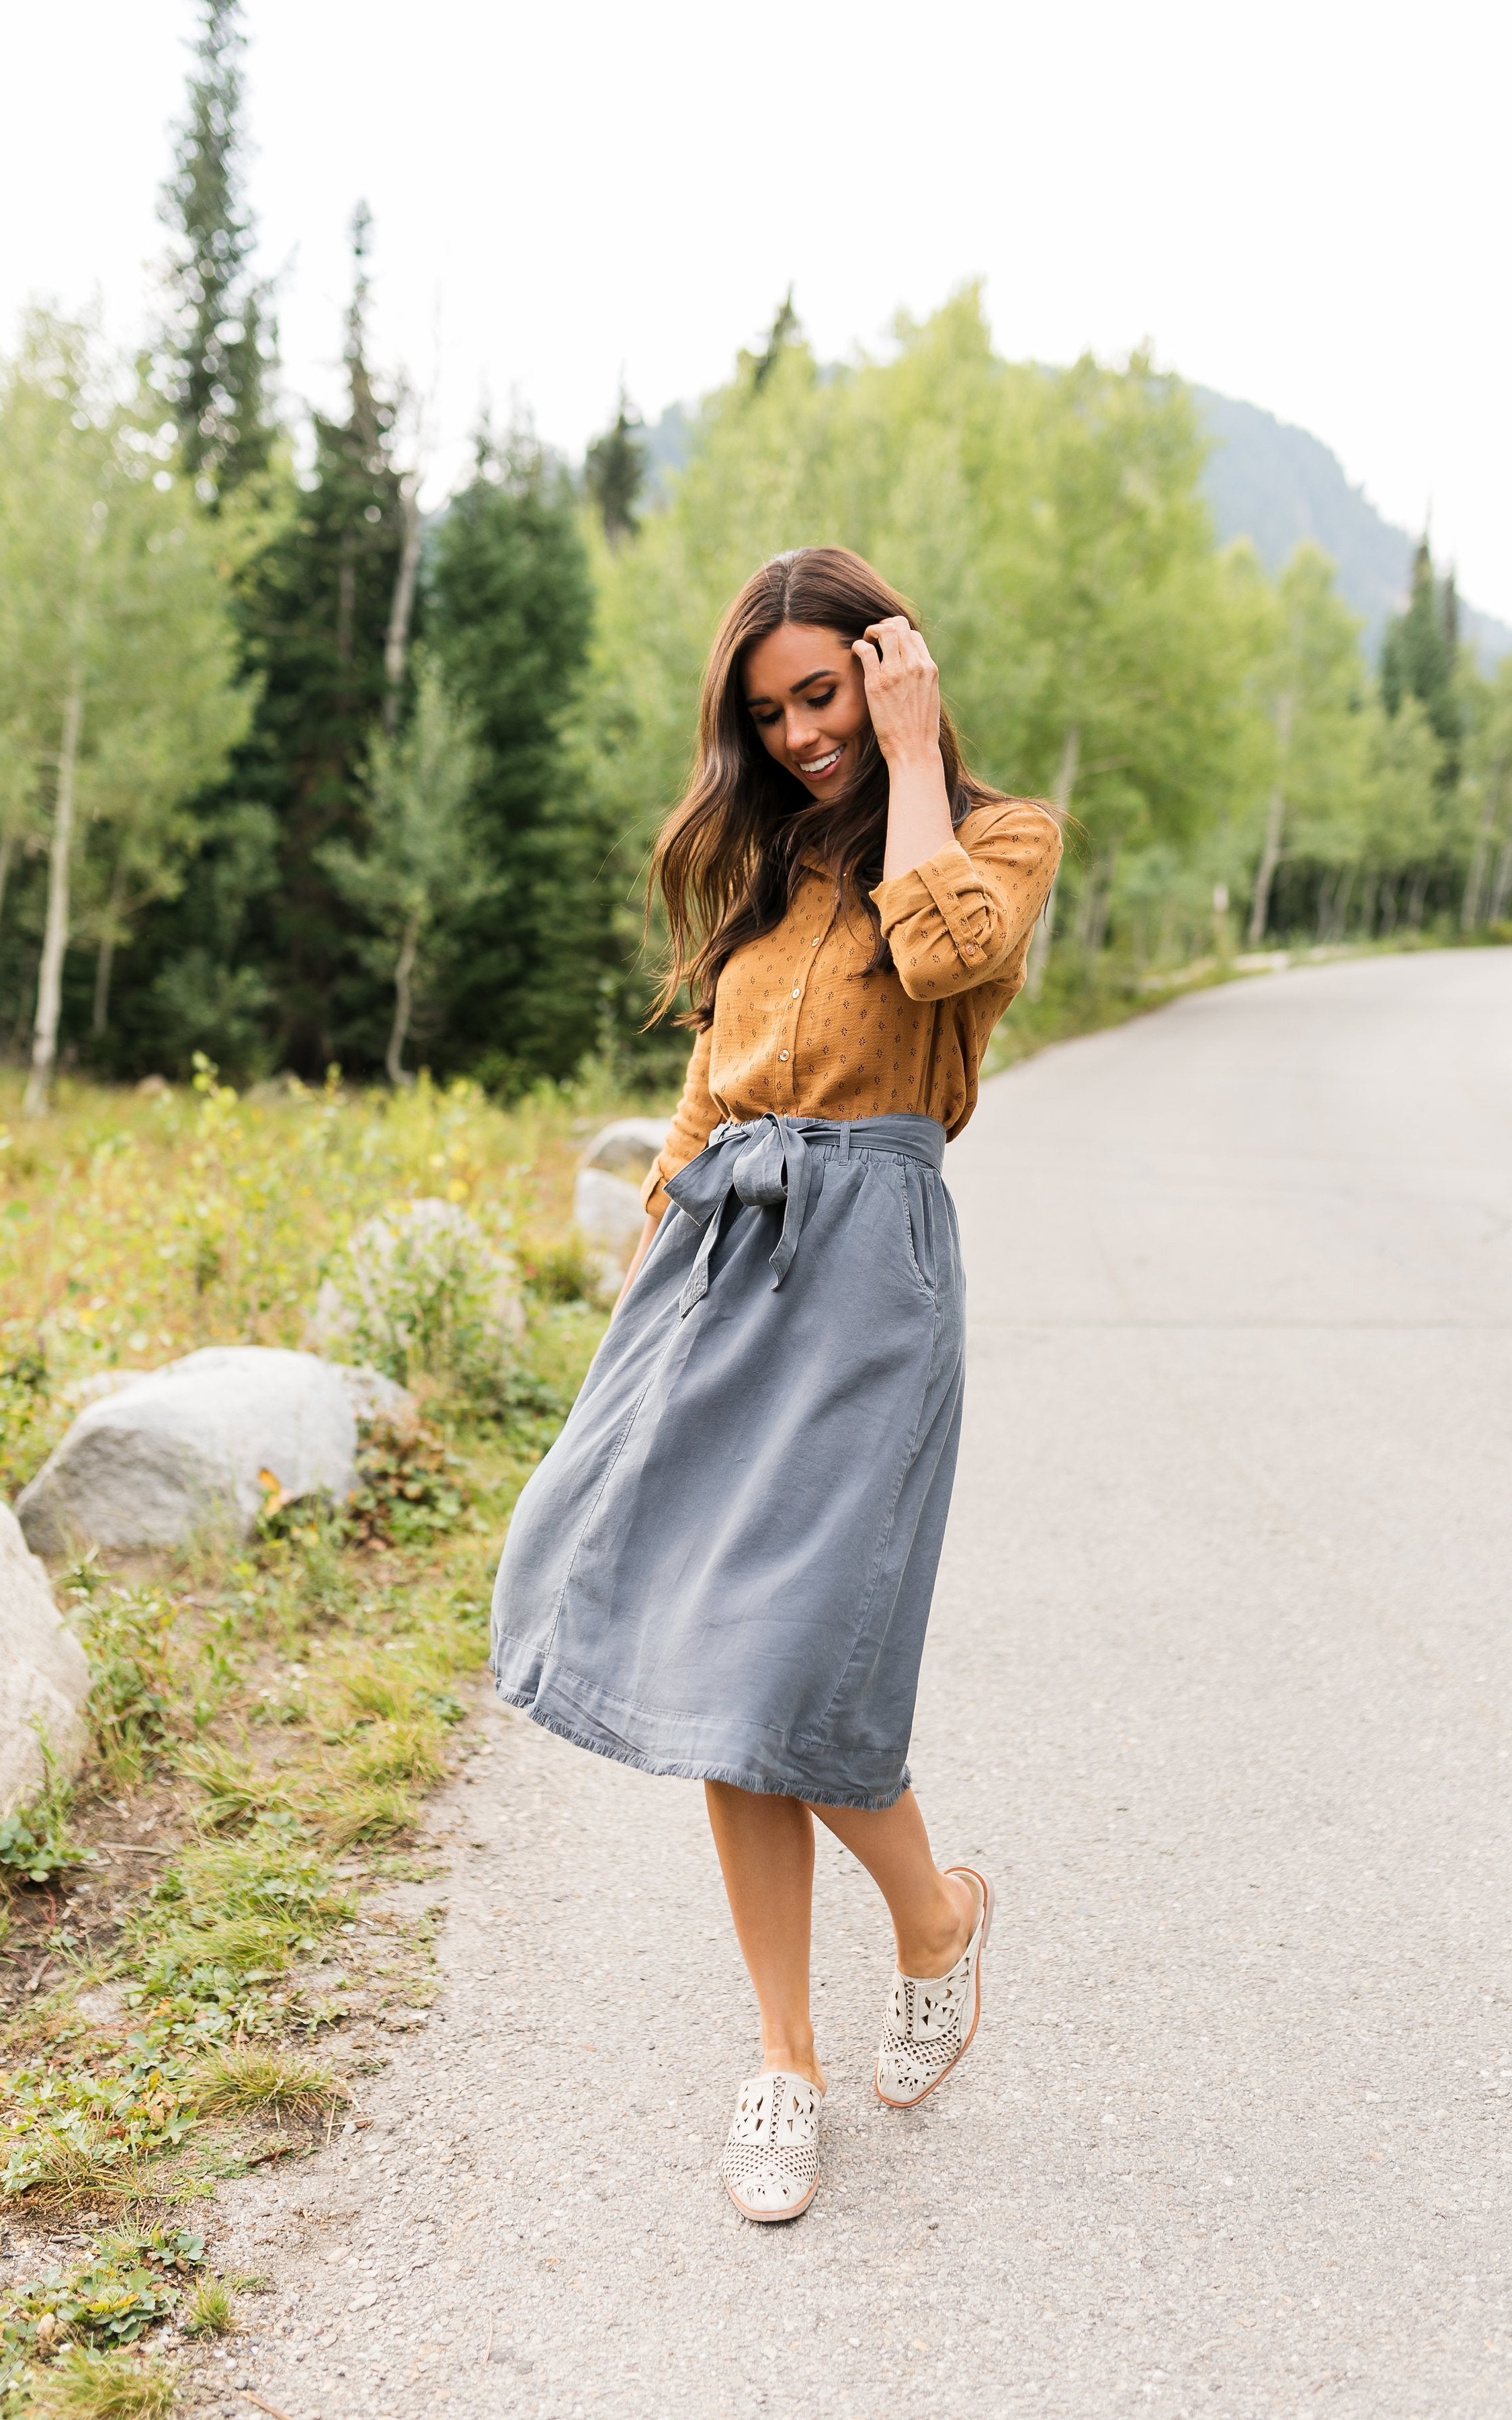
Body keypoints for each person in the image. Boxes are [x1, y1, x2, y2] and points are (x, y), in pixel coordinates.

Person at [491, 544, 1060, 2221]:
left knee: (802, 1652)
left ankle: (936, 1919)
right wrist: (650, 1264)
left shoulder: (995, 837)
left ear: (888, 672)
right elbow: (712, 1084)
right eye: (773, 712)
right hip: (721, 1263)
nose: (803, 734)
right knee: (722, 1665)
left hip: (872, 1272)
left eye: (826, 695)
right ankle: (783, 2062)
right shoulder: (764, 861)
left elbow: (948, 958)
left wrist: (912, 754)